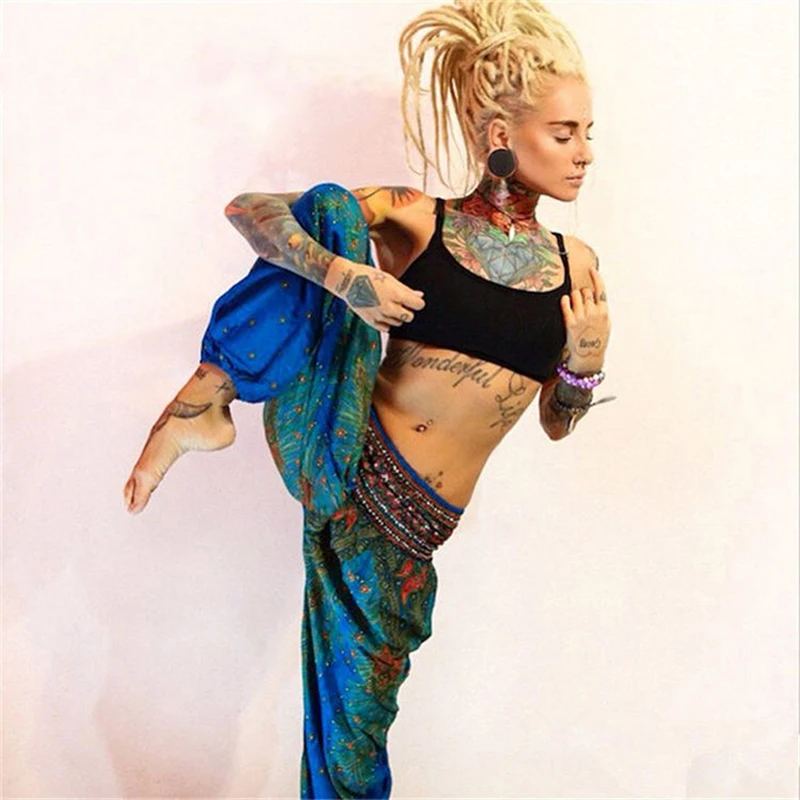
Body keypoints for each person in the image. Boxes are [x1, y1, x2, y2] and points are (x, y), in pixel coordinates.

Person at [123, 0, 612, 795]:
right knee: (327, 211)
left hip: (422, 529)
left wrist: (585, 365)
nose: (585, 152)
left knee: (361, 726)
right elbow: (251, 210)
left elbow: (557, 423)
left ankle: (205, 403)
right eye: (565, 133)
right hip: (352, 467)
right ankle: (197, 406)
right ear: (501, 135)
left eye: (588, 132)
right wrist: (345, 275)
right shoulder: (418, 220)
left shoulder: (575, 263)